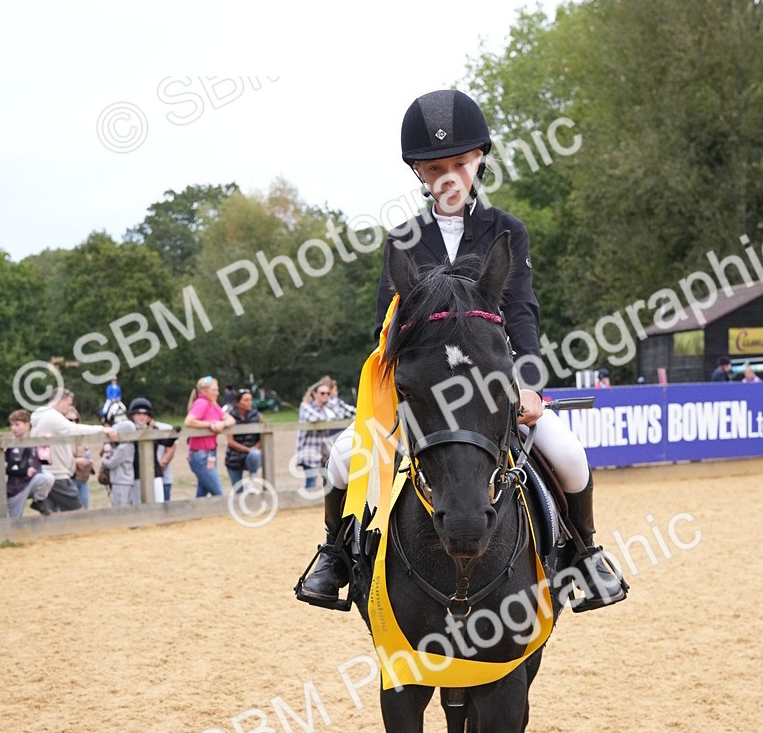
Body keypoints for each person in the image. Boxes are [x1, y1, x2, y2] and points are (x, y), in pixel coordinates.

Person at [300, 88, 627, 611]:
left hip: (494, 386)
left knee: (568, 454)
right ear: (419, 174)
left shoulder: (507, 231)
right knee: (343, 459)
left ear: (478, 161)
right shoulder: (404, 238)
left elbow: (520, 311)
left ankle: (585, 551)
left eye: (459, 163)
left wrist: (529, 384)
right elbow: (390, 320)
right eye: (435, 169)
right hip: (424, 391)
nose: (448, 177)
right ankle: (334, 554)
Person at [30, 389, 116, 512]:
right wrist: (102, 429)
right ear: (59, 401)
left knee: (52, 515)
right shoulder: (51, 416)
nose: (69, 407)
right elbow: (73, 429)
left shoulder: (43, 416)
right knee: (78, 512)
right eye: (68, 404)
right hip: (57, 474)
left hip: (49, 472)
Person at [184, 376, 235, 497]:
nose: (217, 393)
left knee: (203, 490)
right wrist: (210, 425)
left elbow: (231, 419)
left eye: (217, 390)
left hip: (210, 453)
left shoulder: (212, 404)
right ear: (204, 391)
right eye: (214, 390)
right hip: (200, 454)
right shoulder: (202, 403)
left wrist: (222, 424)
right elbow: (189, 421)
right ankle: (224, 513)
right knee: (217, 492)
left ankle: (196, 512)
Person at [4, 409, 54, 517]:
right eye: (12, 425)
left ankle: (38, 501)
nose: (13, 428)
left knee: (48, 478)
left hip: (31, 482)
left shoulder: (35, 442)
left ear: (27, 425)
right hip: (15, 488)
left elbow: (45, 460)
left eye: (17, 424)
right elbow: (6, 468)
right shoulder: (9, 445)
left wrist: (46, 445)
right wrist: (24, 471)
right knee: (14, 520)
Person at [294, 382, 336, 490]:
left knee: (330, 483)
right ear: (314, 394)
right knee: (311, 484)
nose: (325, 396)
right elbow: (315, 418)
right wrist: (329, 418)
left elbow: (339, 415)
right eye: (322, 393)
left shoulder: (328, 408)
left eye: (328, 393)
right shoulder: (305, 406)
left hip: (325, 451)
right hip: (309, 451)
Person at [225, 387, 263, 489]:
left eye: (250, 400)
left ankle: (252, 478)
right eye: (246, 400)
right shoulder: (230, 417)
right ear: (238, 402)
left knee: (255, 455)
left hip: (251, 455)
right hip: (234, 457)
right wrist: (248, 449)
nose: (249, 402)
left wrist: (253, 450)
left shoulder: (257, 416)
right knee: (237, 491)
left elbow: (263, 437)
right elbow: (230, 441)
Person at [65, 406, 95, 508]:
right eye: (69, 420)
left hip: (82, 480)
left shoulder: (81, 439)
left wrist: (89, 463)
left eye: (76, 420)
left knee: (84, 514)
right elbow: (57, 460)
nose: (73, 423)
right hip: (67, 482)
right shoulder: (59, 439)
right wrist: (76, 462)